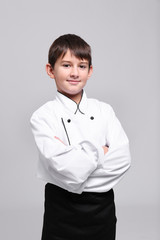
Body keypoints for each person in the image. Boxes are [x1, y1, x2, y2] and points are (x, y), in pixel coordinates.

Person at [30, 34, 131, 240]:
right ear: (51, 70)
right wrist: (101, 152)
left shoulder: (105, 111)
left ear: (90, 71)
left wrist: (74, 165)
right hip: (61, 212)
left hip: (101, 211)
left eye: (82, 66)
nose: (75, 73)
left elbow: (123, 159)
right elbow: (65, 167)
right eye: (66, 65)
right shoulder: (42, 116)